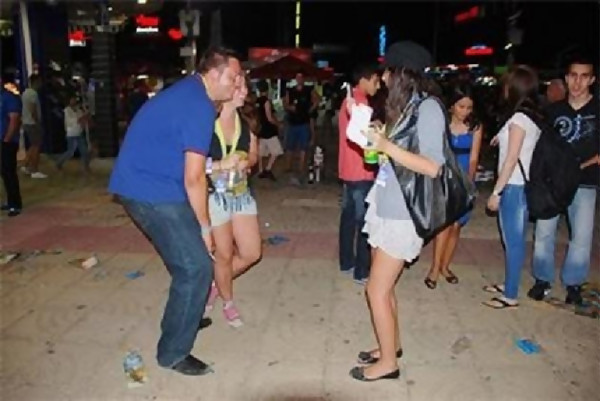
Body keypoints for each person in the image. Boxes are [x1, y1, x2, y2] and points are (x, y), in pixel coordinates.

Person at [108, 46, 242, 376]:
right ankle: (173, 353)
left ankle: (186, 314)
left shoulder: (192, 93)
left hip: (153, 183)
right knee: (196, 267)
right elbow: (194, 178)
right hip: (149, 190)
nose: (237, 83)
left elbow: (185, 158)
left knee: (188, 263)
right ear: (214, 74)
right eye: (233, 77)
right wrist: (205, 228)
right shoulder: (198, 105)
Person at [349, 41, 445, 382]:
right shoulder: (405, 107)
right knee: (385, 287)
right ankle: (391, 345)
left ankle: (388, 363)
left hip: (404, 213)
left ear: (402, 73)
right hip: (386, 203)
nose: (384, 77)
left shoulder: (428, 109)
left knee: (375, 290)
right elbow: (396, 156)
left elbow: (432, 166)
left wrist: (386, 145)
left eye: (388, 71)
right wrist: (375, 139)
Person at [527, 55, 599, 305]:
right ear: (567, 78)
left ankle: (573, 283)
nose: (578, 82)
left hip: (585, 181)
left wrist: (581, 165)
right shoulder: (553, 111)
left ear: (592, 79)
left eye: (584, 76)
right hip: (553, 183)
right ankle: (542, 279)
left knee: (581, 236)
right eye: (573, 76)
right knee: (544, 232)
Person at [204, 77, 261, 328]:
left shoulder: (247, 121)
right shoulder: (205, 121)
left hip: (241, 195)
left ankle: (215, 284)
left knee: (251, 253)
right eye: (239, 87)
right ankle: (228, 303)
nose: (244, 92)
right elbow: (190, 163)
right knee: (224, 255)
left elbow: (254, 154)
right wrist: (220, 165)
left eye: (245, 87)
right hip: (213, 197)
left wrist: (247, 162)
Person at [483, 65, 542, 309]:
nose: (504, 89)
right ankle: (509, 283)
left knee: (513, 241)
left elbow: (511, 159)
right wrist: (500, 136)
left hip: (514, 186)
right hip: (518, 185)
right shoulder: (527, 116)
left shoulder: (519, 119)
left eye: (507, 84)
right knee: (512, 240)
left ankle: (510, 295)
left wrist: (496, 192)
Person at [425, 84, 482, 288]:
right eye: (461, 106)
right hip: (445, 177)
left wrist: (469, 184)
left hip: (464, 177)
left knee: (456, 226)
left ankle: (445, 266)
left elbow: (474, 158)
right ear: (451, 106)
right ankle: (434, 269)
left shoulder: (475, 126)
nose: (465, 111)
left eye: (469, 107)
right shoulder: (442, 123)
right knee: (444, 225)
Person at [338, 64, 380, 284]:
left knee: (348, 218)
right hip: (361, 169)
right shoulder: (360, 103)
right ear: (365, 79)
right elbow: (364, 138)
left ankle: (346, 262)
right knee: (364, 222)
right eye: (376, 81)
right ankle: (362, 271)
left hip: (347, 168)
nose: (378, 86)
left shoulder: (349, 99)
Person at [283, 72, 320, 184]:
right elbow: (285, 103)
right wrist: (290, 107)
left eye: (301, 77)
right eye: (297, 77)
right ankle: (288, 167)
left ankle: (301, 167)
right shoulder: (290, 90)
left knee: (303, 147)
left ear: (303, 79)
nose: (299, 79)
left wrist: (311, 109)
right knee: (290, 146)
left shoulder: (309, 90)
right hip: (292, 122)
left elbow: (317, 99)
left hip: (304, 122)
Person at [1, 75, 23, 217]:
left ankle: (15, 204)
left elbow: (14, 120)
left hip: (7, 142)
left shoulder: (9, 98)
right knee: (4, 172)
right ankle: (10, 200)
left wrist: (7, 139)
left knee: (9, 172)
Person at [255, 80, 283, 180]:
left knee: (261, 152)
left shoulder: (257, 101)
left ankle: (260, 170)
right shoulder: (266, 101)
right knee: (276, 151)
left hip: (260, 129)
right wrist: (278, 124)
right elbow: (269, 117)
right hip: (269, 129)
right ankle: (268, 169)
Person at [21, 74, 47, 178]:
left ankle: (26, 165)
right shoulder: (33, 94)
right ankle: (34, 170)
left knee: (32, 145)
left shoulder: (25, 93)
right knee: (36, 146)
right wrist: (37, 122)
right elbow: (33, 109)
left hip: (26, 122)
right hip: (33, 124)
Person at [56, 94, 91, 172]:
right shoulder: (67, 110)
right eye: (72, 100)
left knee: (84, 151)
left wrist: (86, 117)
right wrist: (82, 118)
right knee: (70, 152)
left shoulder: (79, 111)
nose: (73, 101)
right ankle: (59, 163)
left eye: (74, 100)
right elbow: (71, 121)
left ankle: (86, 166)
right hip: (71, 134)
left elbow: (83, 121)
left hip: (79, 133)